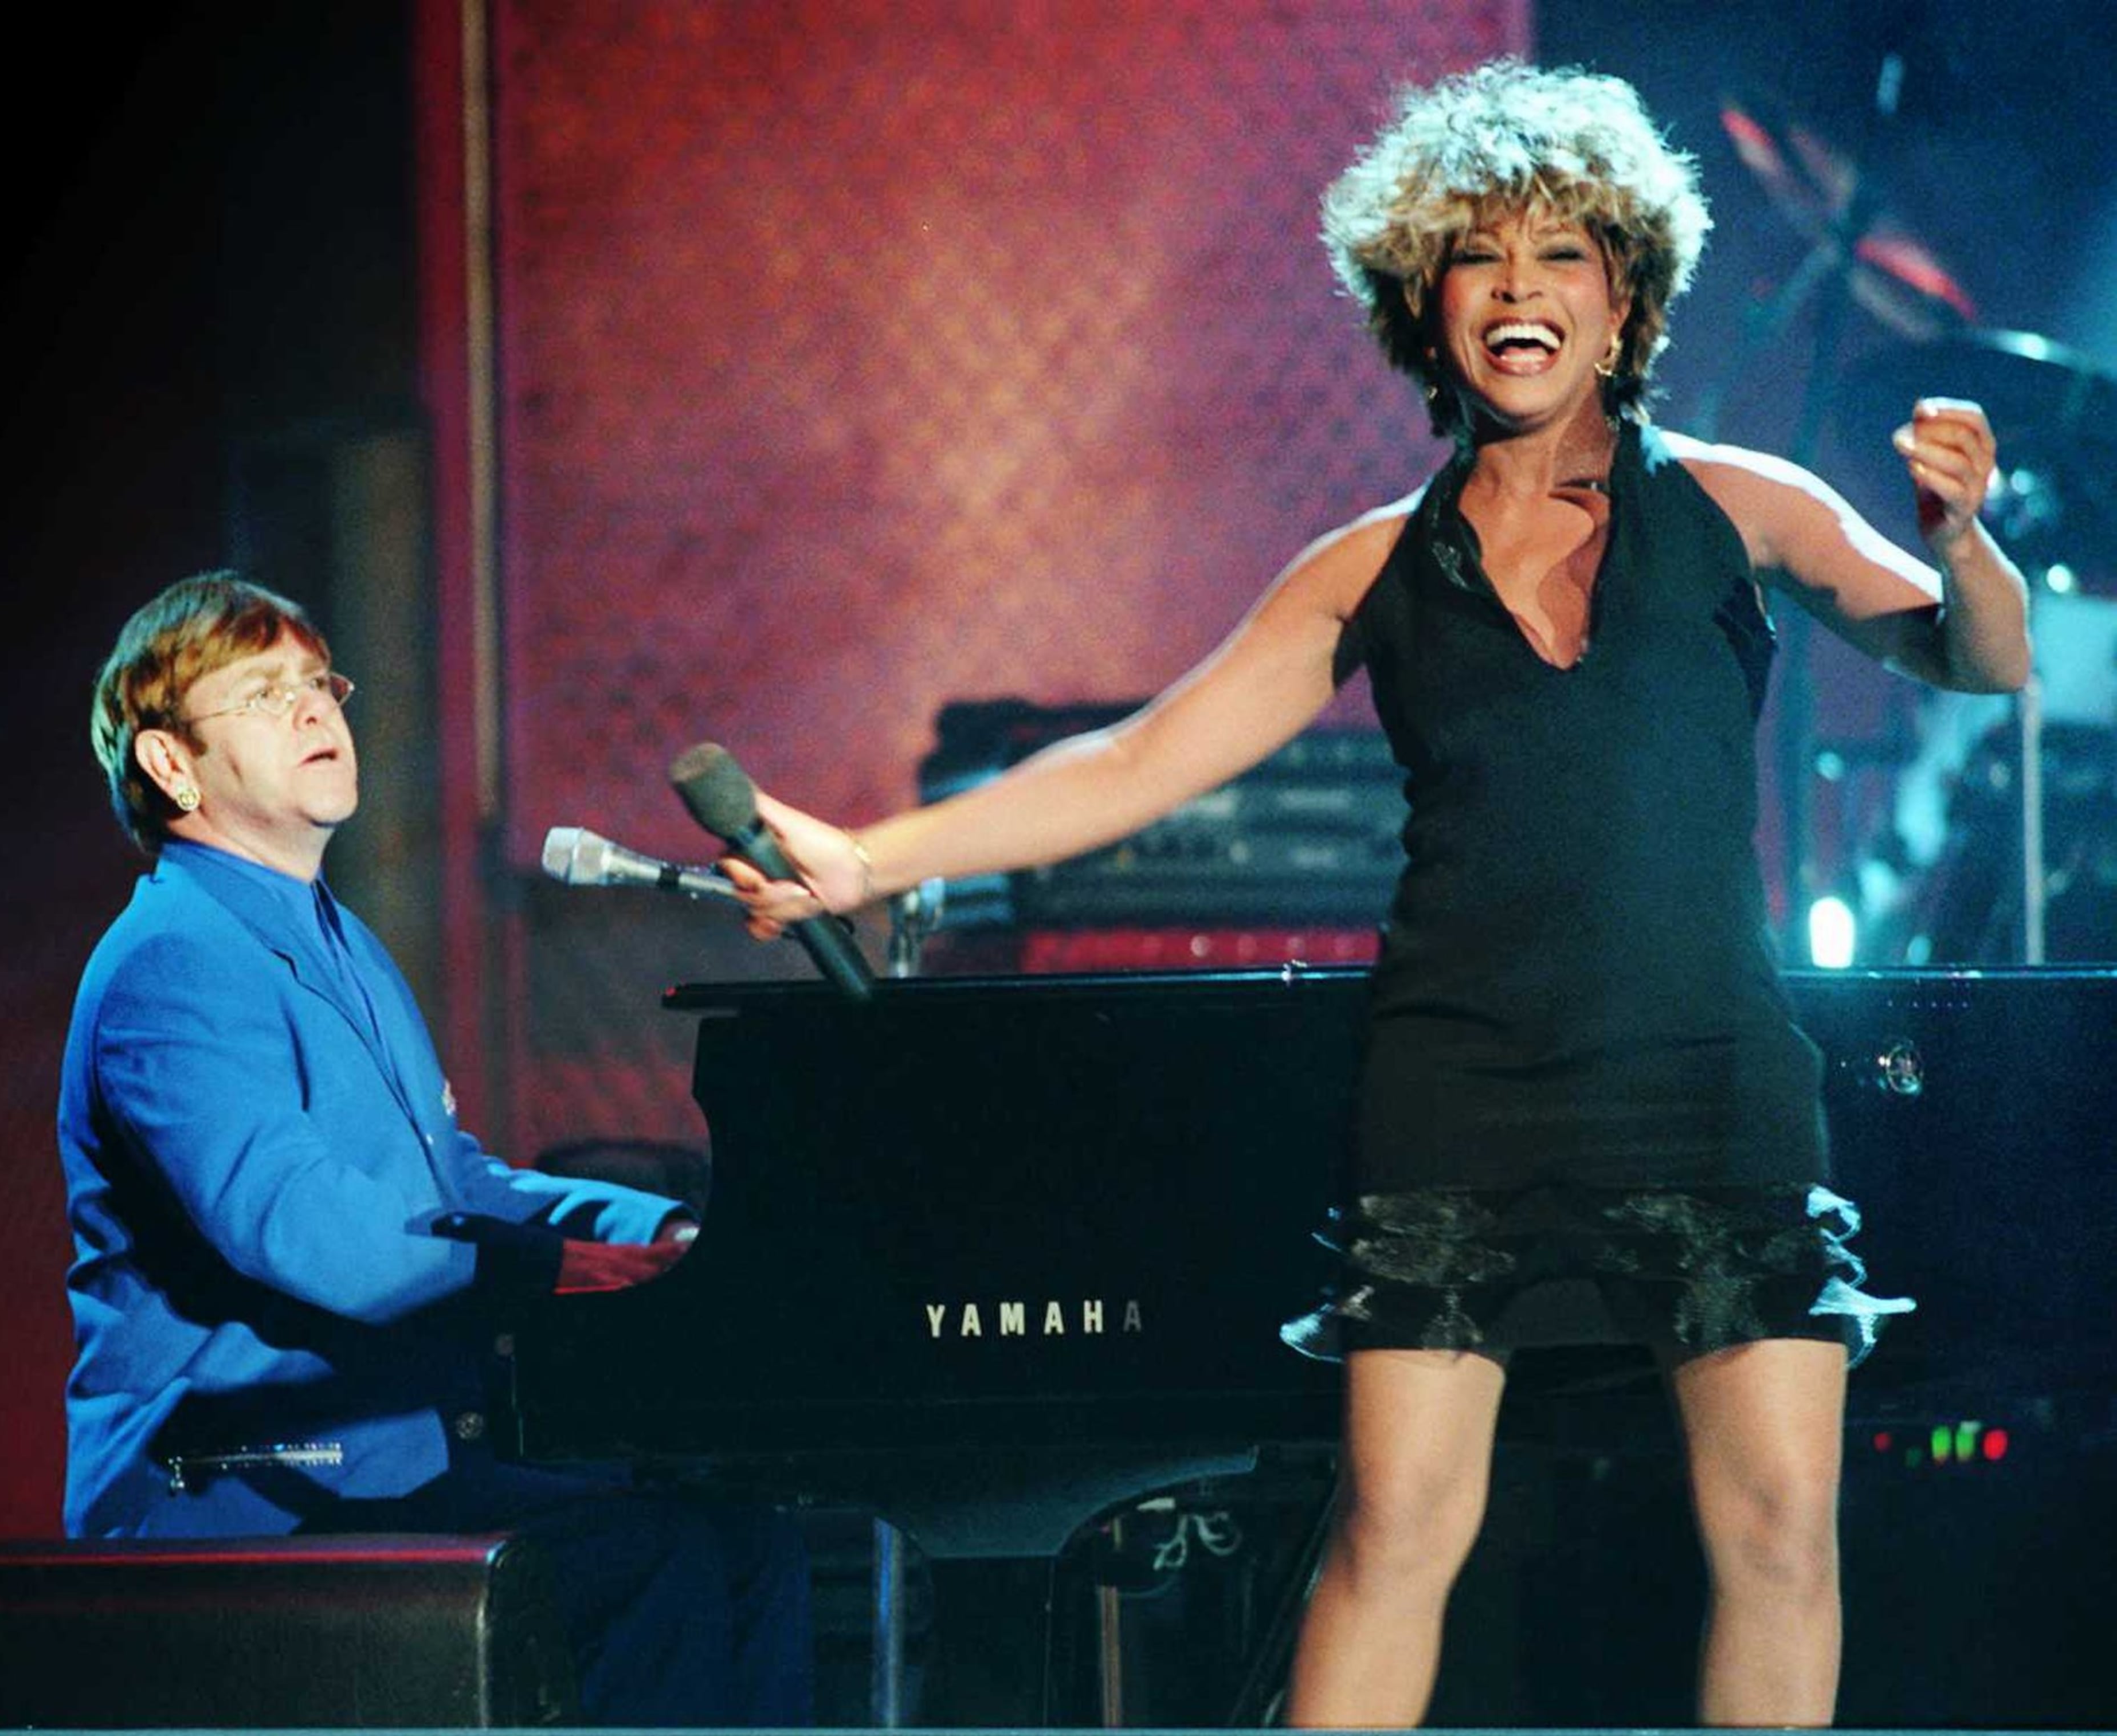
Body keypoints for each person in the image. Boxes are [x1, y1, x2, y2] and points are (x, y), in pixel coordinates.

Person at [715, 61, 2029, 1729]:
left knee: (1777, 1530)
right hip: (1460, 1084)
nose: (1518, 288)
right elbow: (1139, 760)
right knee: (1395, 1528)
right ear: (1427, 304)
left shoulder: (1744, 505)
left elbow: (1980, 658)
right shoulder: (1367, 564)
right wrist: (868, 856)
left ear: (1625, 301)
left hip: (1709, 1080)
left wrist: (1964, 541)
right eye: (1480, 257)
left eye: (1560, 256)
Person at [61, 573, 813, 1727]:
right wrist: (550, 1269)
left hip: (370, 1462)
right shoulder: (174, 959)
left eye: (321, 682)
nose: (316, 709)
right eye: (265, 693)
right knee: (660, 1561)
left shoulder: (338, 940)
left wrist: (655, 1229)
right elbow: (298, 1225)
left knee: (748, 1535)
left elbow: (449, 1181)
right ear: (171, 763)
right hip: (236, 1485)